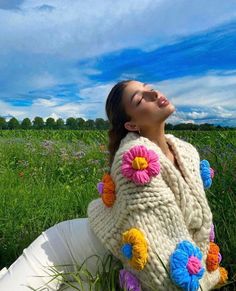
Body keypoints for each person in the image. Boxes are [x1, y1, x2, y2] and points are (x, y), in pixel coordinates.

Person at [0, 80, 228, 291]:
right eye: (140, 100)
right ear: (131, 124)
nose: (154, 93)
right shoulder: (135, 160)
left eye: (149, 88)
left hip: (106, 266)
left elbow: (197, 229)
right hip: (65, 249)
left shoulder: (187, 153)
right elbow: (157, 256)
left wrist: (206, 273)